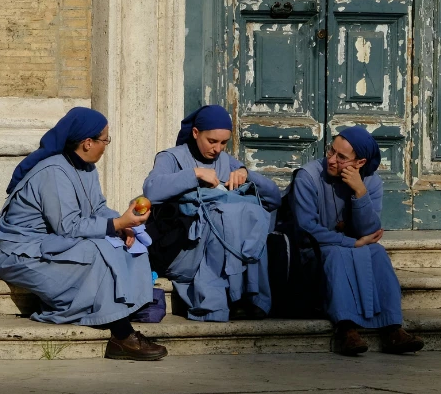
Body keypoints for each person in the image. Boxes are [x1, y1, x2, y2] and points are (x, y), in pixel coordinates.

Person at [0, 107, 167, 361]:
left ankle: (123, 311)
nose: (106, 146)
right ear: (87, 143)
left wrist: (125, 224)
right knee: (100, 250)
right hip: (25, 255)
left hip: (55, 246)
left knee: (131, 244)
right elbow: (69, 227)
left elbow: (97, 208)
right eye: (105, 140)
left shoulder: (86, 168)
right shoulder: (53, 172)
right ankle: (121, 334)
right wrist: (116, 224)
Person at [290, 126, 424, 356]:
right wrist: (350, 243)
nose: (331, 160)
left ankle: (392, 328)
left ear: (360, 163)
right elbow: (306, 228)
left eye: (341, 157)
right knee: (336, 253)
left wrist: (360, 192)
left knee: (378, 252)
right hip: (313, 252)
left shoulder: (371, 183)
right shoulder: (308, 177)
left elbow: (370, 232)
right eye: (331, 151)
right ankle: (346, 330)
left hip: (354, 249)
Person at [142, 105, 281, 321]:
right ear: (196, 133)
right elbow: (151, 189)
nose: (217, 149)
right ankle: (230, 299)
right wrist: (194, 174)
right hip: (181, 246)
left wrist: (247, 173)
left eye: (223, 143)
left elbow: (273, 200)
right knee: (221, 215)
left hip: (223, 243)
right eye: (212, 141)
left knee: (252, 214)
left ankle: (247, 297)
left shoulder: (227, 162)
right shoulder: (171, 157)